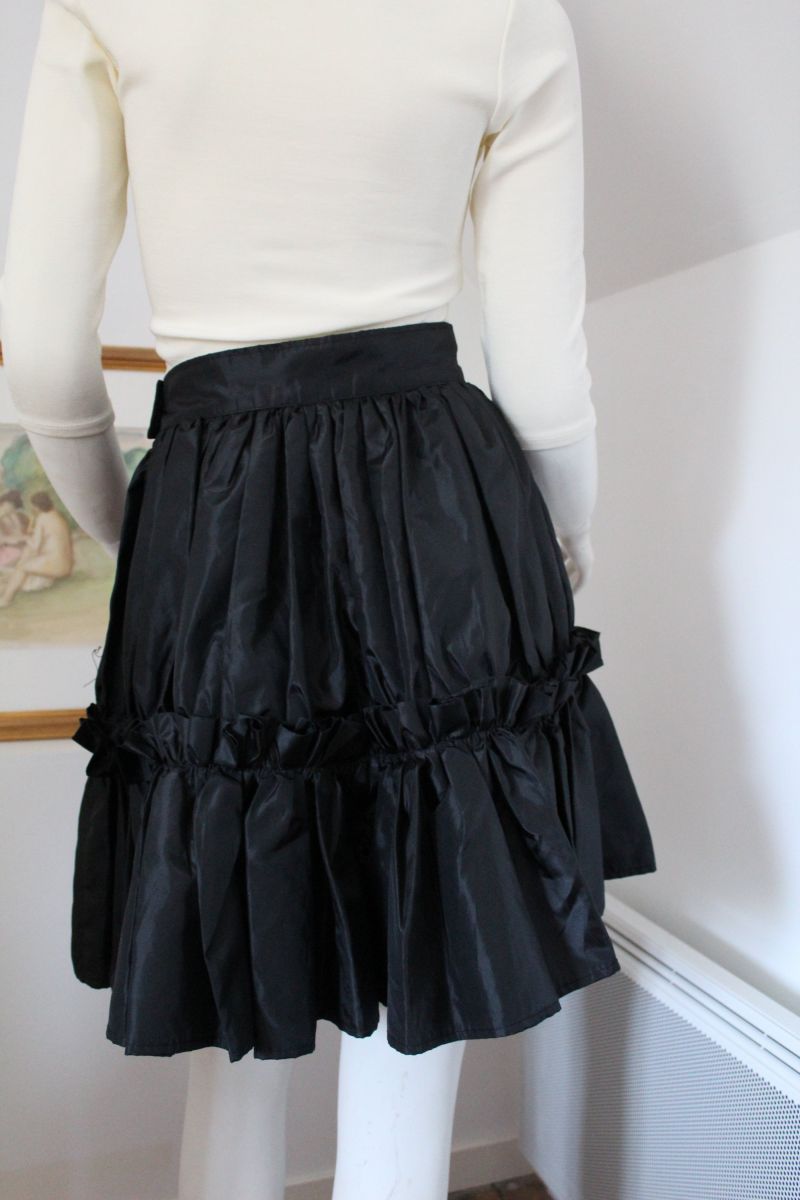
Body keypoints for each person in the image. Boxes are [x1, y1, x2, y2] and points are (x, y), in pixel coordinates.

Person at [0, 1, 657, 1196]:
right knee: (427, 936)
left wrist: (137, 538)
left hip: (209, 499)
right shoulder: (507, 10)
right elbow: (541, 370)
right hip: (434, 501)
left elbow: (43, 354)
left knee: (229, 953)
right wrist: (562, 538)